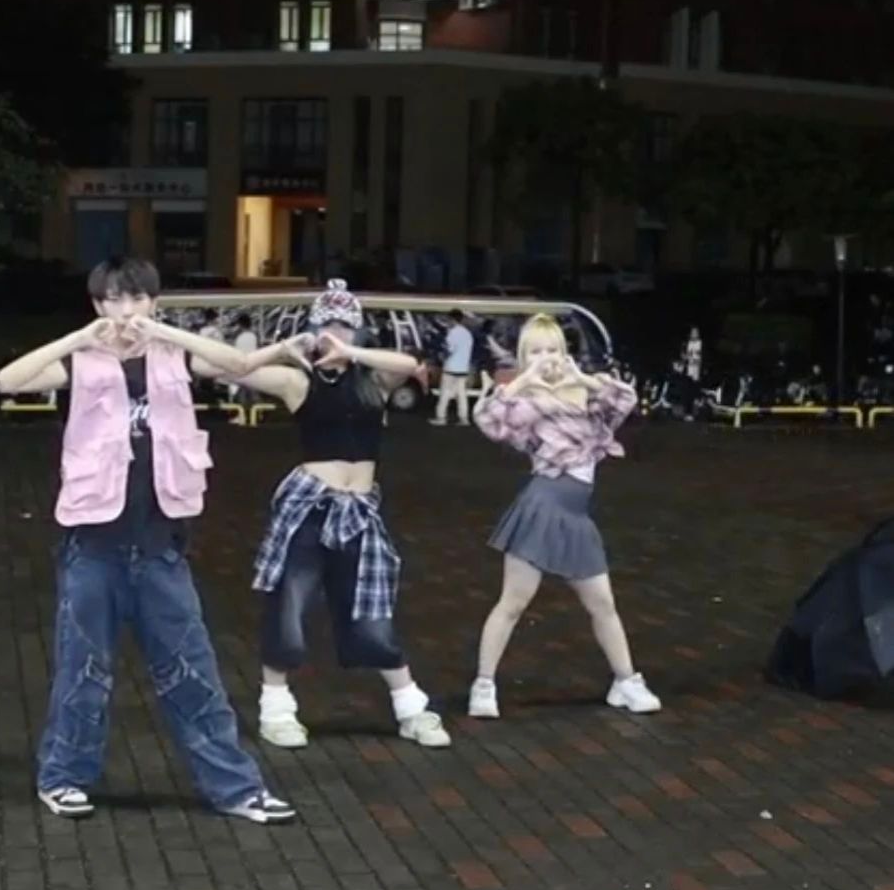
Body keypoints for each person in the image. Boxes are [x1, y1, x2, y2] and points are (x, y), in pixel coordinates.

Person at [0, 256, 295, 824]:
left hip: (160, 544)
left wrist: (165, 331)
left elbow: (237, 363)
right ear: (97, 305)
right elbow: (8, 381)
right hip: (93, 545)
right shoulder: (82, 361)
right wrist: (81, 338)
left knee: (194, 669)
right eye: (113, 299)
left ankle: (236, 788)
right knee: (83, 669)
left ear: (154, 302)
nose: (125, 311)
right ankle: (62, 777)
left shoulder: (175, 355)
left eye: (136, 299)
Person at [229, 279, 452, 750]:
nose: (335, 334)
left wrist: (352, 353)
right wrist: (284, 348)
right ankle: (276, 708)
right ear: (313, 329)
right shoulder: (298, 381)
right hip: (310, 506)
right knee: (289, 601)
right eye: (327, 325)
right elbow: (230, 367)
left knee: (371, 610)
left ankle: (412, 708)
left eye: (345, 327)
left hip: (360, 509)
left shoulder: (374, 380)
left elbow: (409, 364)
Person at [467, 313, 660, 718]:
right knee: (513, 602)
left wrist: (582, 378)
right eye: (536, 351)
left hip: (576, 514)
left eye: (553, 349)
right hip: (542, 506)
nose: (546, 357)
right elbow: (487, 419)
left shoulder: (587, 393)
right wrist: (522, 380)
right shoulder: (525, 402)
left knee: (603, 603)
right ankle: (483, 685)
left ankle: (626, 681)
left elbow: (625, 400)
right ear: (524, 356)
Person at [431, 309, 474, 426]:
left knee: (445, 393)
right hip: (463, 369)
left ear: (452, 319)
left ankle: (441, 418)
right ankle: (464, 419)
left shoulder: (452, 333)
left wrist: (441, 357)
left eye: (448, 319)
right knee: (461, 395)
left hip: (450, 368)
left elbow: (448, 350)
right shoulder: (468, 334)